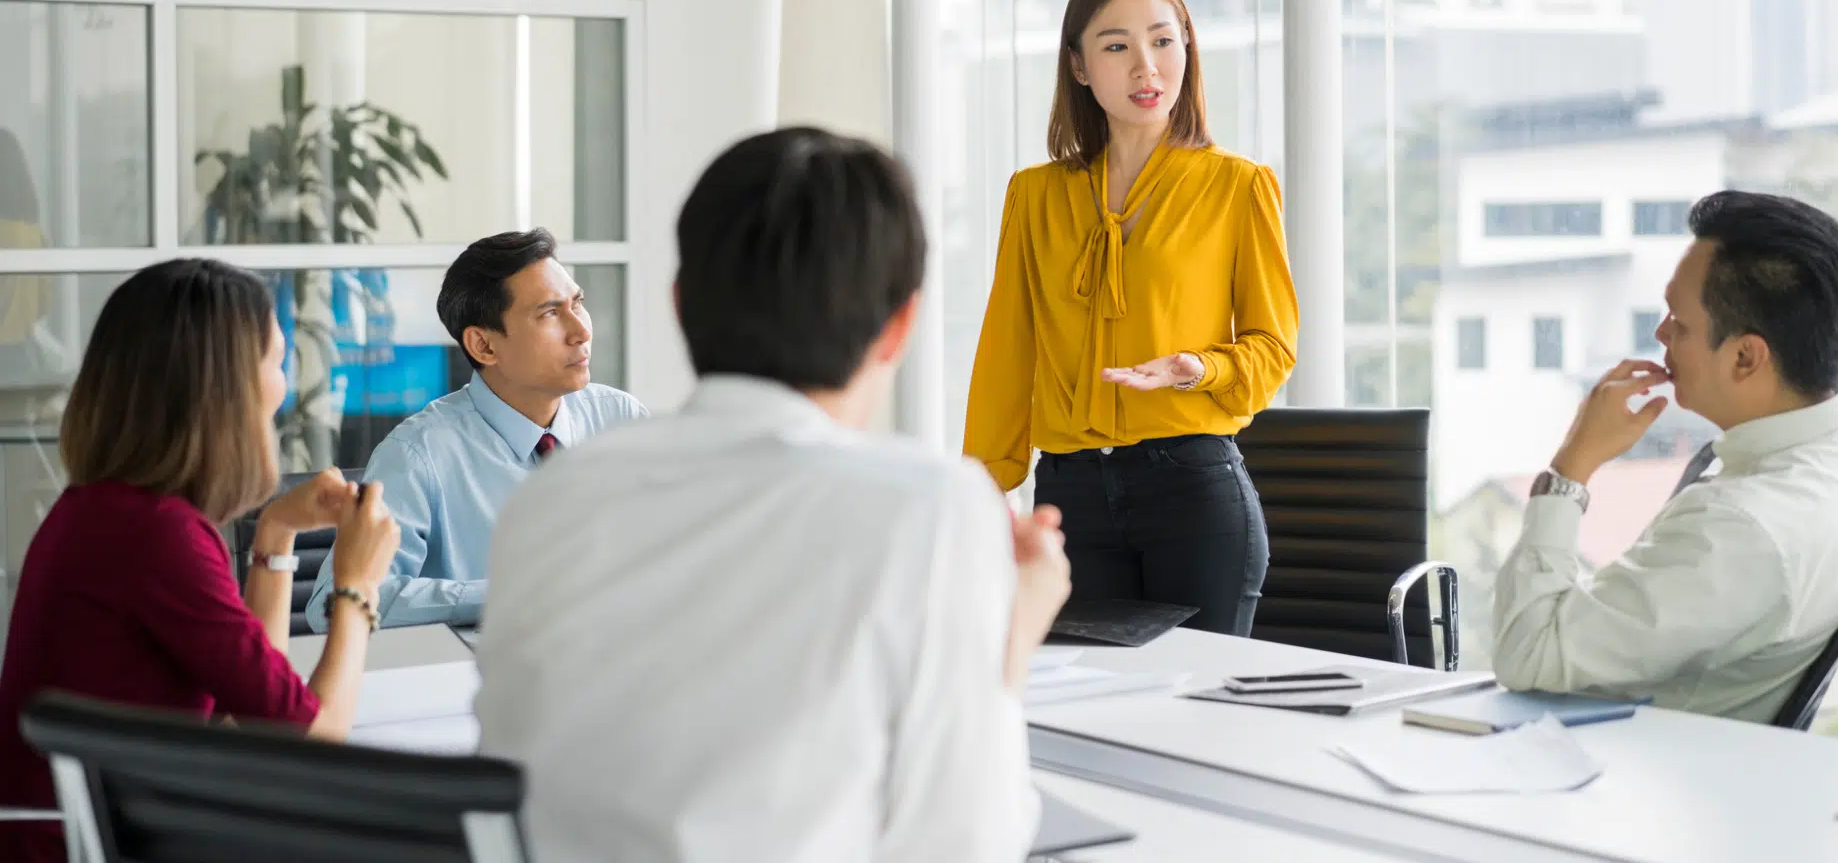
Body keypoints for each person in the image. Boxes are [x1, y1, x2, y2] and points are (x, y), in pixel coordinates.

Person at [477, 128, 1070, 863]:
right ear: (900, 328)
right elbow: (963, 842)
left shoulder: (555, 494)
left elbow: (517, 786)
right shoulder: (932, 509)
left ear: (679, 304)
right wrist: (1010, 637)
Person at [0, 259, 400, 863]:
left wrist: (277, 530)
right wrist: (356, 586)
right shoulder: (158, 535)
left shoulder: (112, 511)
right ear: (229, 386)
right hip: (82, 845)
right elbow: (308, 748)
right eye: (275, 358)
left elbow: (256, 722)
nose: (283, 380)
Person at [964, 0, 1299, 637]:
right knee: (1089, 715)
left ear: (1186, 48)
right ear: (1081, 67)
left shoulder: (1238, 187)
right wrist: (982, 484)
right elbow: (1007, 348)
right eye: (1116, 46)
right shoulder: (1035, 197)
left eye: (1163, 40)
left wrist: (1197, 367)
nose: (1146, 66)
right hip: (1070, 495)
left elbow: (1273, 346)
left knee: (1198, 719)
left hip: (1193, 489)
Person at [1494, 190, 1838, 722]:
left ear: (1744, 355)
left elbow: (1527, 654)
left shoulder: (1736, 527)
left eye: (1679, 323)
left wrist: (1571, 468)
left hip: (1634, 777)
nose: (1660, 334)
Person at [305, 228, 646, 631]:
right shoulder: (419, 454)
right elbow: (330, 605)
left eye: (577, 304)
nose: (582, 331)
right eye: (550, 313)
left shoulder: (619, 419)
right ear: (483, 346)